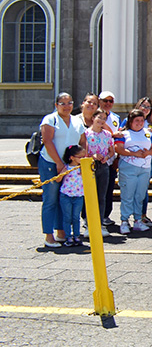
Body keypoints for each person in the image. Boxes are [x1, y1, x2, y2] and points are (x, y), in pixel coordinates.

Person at [38, 93, 86, 247]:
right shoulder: (50, 119)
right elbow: (47, 140)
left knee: (63, 198)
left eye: (69, 103)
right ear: (56, 105)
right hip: (51, 163)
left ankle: (61, 232)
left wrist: (78, 161)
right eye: (62, 103)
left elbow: (83, 142)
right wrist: (59, 163)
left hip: (70, 167)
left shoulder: (77, 121)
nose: (66, 106)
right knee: (50, 199)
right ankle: (48, 235)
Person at [115, 109, 152, 235]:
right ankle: (124, 220)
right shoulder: (123, 134)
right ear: (130, 121)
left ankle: (138, 219)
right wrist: (134, 153)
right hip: (129, 167)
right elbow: (119, 148)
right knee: (127, 195)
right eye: (136, 121)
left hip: (144, 168)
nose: (139, 123)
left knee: (140, 195)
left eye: (141, 120)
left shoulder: (148, 133)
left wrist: (148, 153)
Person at [79, 108, 114, 238]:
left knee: (101, 196)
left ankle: (100, 223)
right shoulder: (86, 133)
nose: (101, 121)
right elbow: (83, 150)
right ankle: (88, 223)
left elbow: (111, 151)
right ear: (93, 118)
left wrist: (107, 157)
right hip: (90, 166)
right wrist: (92, 155)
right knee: (89, 196)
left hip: (104, 166)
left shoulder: (107, 135)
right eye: (99, 117)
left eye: (104, 119)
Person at [57, 145, 87, 246]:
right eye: (80, 157)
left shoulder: (82, 168)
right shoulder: (67, 167)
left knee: (76, 217)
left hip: (79, 195)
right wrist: (62, 173)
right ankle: (68, 237)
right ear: (72, 157)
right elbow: (58, 180)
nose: (83, 159)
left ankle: (77, 236)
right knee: (67, 217)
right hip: (66, 195)